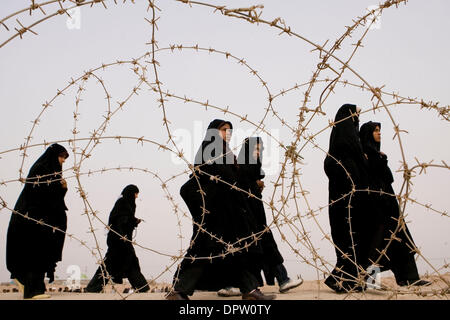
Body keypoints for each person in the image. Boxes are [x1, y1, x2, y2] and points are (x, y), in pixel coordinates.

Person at [167, 119, 275, 300]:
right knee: (205, 250)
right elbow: (219, 177)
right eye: (224, 130)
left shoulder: (225, 152)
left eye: (229, 131)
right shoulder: (210, 148)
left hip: (227, 212)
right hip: (214, 212)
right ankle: (179, 290)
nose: (228, 133)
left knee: (235, 249)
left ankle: (250, 290)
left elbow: (233, 177)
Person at [217, 137, 303, 297]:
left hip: (256, 220)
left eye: (259, 150)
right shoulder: (241, 170)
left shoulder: (250, 172)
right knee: (246, 250)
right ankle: (237, 285)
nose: (258, 153)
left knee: (265, 248)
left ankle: (282, 279)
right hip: (246, 221)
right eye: (255, 149)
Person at [359, 121, 431, 287]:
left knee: (401, 238)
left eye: (379, 130)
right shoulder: (365, 155)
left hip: (388, 203)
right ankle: (370, 282)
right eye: (375, 131)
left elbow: (388, 178)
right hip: (376, 206)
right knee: (376, 242)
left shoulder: (375, 153)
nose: (379, 133)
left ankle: (409, 278)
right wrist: (380, 158)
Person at [6, 143, 69, 299]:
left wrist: (62, 189)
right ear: (53, 156)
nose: (63, 161)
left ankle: (37, 289)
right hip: (34, 222)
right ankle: (32, 291)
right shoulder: (40, 169)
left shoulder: (52, 173)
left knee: (42, 254)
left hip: (44, 222)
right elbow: (38, 197)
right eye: (61, 157)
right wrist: (59, 189)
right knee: (35, 253)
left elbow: (53, 199)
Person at [323, 104, 373, 293]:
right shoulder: (338, 153)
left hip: (360, 204)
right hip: (344, 206)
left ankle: (359, 280)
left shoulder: (358, 151)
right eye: (354, 117)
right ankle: (345, 280)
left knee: (365, 241)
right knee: (348, 241)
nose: (356, 122)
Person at [85, 184, 150, 293]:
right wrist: (123, 234)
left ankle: (141, 287)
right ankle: (93, 288)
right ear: (131, 193)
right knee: (112, 263)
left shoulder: (126, 204)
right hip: (119, 240)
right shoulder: (123, 203)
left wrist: (134, 221)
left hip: (122, 239)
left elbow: (126, 218)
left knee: (129, 262)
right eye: (135, 193)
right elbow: (120, 221)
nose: (137, 196)